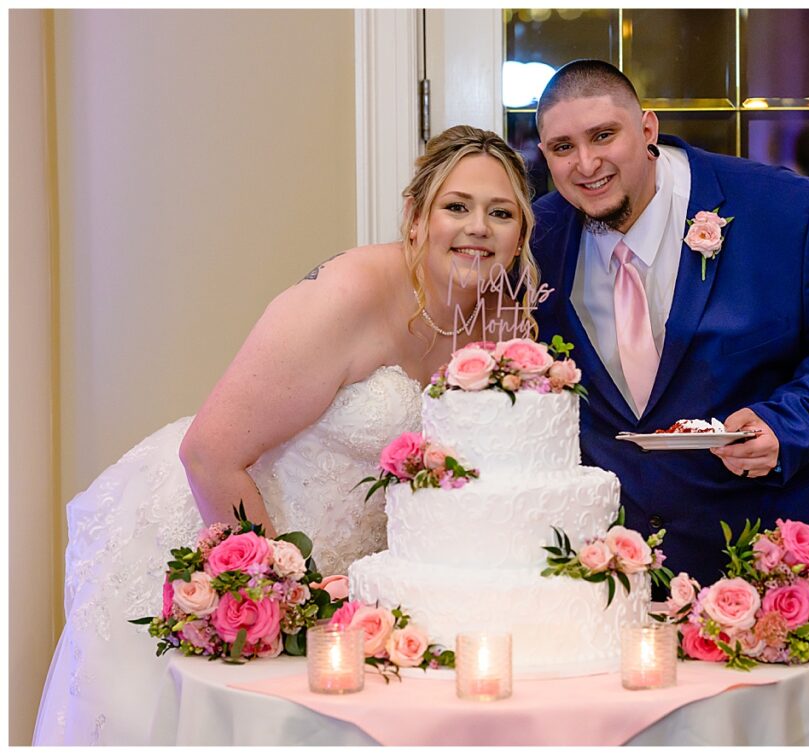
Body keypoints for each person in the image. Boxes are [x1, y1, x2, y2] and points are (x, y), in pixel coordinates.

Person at [33, 125, 538, 745]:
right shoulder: (349, 293)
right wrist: (281, 601)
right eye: (456, 207)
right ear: (415, 216)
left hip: (347, 572)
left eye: (500, 213)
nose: (477, 227)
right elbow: (210, 453)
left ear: (521, 234)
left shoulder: (504, 317)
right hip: (221, 525)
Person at [528, 60, 809, 746]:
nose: (586, 164)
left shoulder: (782, 208)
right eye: (561, 148)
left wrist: (786, 423)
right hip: (631, 570)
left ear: (647, 129)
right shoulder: (540, 234)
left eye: (604, 135)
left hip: (784, 547)